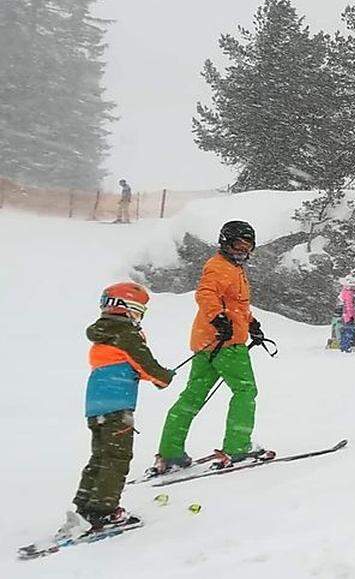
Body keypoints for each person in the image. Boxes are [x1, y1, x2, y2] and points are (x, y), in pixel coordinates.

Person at [154, 220, 271, 473]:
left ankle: (170, 451)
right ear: (225, 243)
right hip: (226, 345)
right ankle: (238, 447)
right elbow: (205, 294)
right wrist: (219, 320)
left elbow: (236, 305)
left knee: (193, 395)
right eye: (239, 244)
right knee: (245, 391)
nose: (243, 250)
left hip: (206, 342)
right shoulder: (219, 267)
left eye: (248, 245)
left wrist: (252, 324)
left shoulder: (233, 268)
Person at [59, 283, 174, 537]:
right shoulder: (126, 334)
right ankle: (103, 512)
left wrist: (147, 375)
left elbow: (124, 365)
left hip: (96, 407)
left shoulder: (103, 333)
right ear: (125, 308)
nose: (138, 316)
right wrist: (164, 376)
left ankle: (85, 506)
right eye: (137, 310)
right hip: (117, 406)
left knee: (100, 457)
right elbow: (148, 367)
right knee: (117, 458)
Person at [338, 280, 355, 353]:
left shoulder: (344, 294)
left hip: (345, 315)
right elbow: (349, 306)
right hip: (349, 316)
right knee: (349, 331)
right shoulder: (349, 294)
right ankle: (346, 346)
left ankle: (343, 345)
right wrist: (352, 315)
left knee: (345, 331)